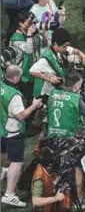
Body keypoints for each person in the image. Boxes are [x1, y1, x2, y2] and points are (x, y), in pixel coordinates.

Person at [46, 72, 85, 206]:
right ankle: (81, 198)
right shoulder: (76, 98)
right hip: (69, 141)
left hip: (52, 139)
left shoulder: (52, 94)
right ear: (75, 87)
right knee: (81, 164)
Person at [0, 65, 43, 207]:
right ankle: (9, 194)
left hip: (0, 129)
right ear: (16, 77)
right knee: (17, 162)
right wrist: (34, 105)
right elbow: (21, 116)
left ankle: (1, 173)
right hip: (12, 132)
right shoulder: (14, 95)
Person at [30, 28, 85, 102]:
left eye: (67, 45)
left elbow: (74, 50)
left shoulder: (61, 50)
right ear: (56, 44)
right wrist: (49, 78)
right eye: (64, 46)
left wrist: (81, 54)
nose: (66, 48)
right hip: (44, 95)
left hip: (55, 90)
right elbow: (32, 71)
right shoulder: (46, 59)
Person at [9, 12, 48, 98]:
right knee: (28, 98)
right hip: (24, 75)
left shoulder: (31, 34)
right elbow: (28, 50)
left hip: (35, 71)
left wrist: (43, 35)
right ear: (20, 23)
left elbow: (45, 44)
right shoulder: (16, 38)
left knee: (37, 97)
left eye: (30, 21)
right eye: (28, 22)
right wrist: (29, 35)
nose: (30, 24)